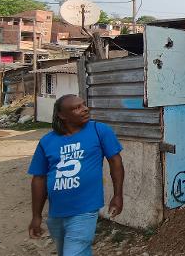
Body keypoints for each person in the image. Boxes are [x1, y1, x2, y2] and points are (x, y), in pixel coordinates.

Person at [27, 94, 125, 256]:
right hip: (57, 213)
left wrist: (118, 195)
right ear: (62, 115)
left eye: (84, 105)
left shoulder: (99, 131)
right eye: (77, 107)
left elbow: (116, 162)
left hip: (85, 209)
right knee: (65, 252)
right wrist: (36, 216)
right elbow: (39, 178)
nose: (85, 109)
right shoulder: (47, 141)